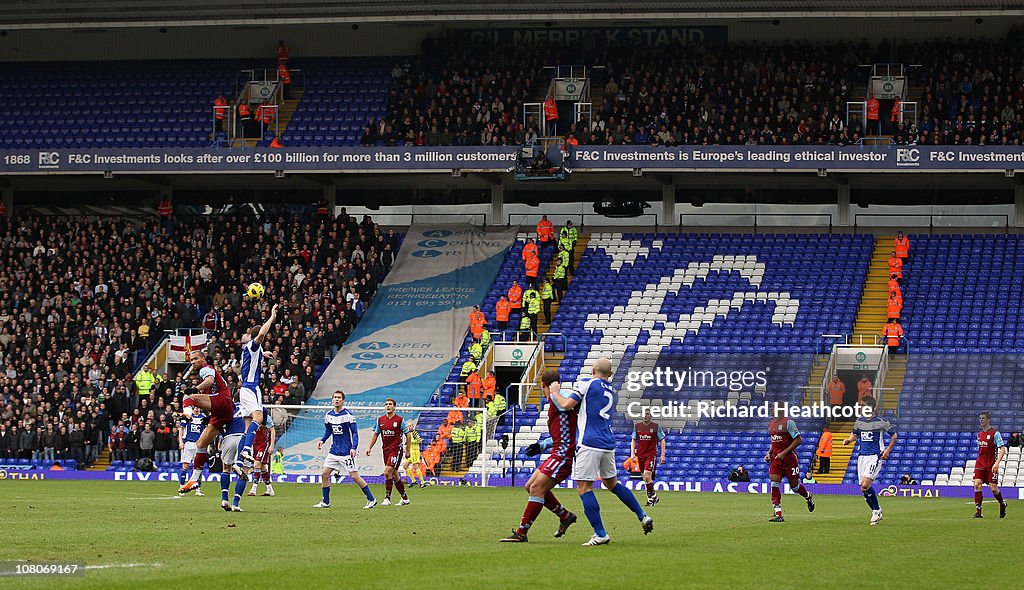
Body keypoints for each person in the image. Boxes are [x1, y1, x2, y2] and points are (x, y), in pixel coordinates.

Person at [554, 358, 652, 546]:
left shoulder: (586, 383)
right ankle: (643, 515)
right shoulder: (614, 391)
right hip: (608, 443)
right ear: (611, 374)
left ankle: (600, 533)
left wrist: (556, 393)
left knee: (584, 488)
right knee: (612, 483)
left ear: (592, 370)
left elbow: (566, 405)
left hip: (589, 442)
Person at [500, 369, 579, 543]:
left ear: (543, 386)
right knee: (530, 486)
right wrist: (541, 446)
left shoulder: (561, 398)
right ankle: (565, 516)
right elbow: (562, 432)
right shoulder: (557, 400)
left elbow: (571, 409)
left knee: (537, 489)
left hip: (563, 454)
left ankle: (522, 532)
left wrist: (556, 392)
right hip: (556, 452)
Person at [179, 350, 235, 494]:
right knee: (201, 444)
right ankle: (194, 480)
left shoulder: (206, 369)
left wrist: (195, 389)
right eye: (191, 360)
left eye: (195, 358)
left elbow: (209, 380)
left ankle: (187, 414)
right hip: (222, 411)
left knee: (187, 397)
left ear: (203, 359)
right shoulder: (206, 374)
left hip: (222, 400)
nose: (193, 362)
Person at [235, 304, 278, 479]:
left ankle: (239, 462)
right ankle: (246, 449)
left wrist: (264, 353)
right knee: (258, 418)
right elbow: (260, 335)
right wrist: (272, 317)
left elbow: (258, 348)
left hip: (246, 388)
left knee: (247, 427)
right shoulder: (253, 345)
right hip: (251, 388)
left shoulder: (255, 349)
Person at [314, 390, 376, 509]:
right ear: (332, 400)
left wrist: (353, 448)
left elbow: (354, 433)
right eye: (335, 397)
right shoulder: (328, 415)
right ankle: (326, 502)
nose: (336, 399)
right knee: (324, 474)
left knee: (354, 477)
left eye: (339, 398)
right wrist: (322, 440)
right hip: (334, 451)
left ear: (343, 400)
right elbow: (328, 430)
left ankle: (371, 499)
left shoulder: (348, 415)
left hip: (347, 452)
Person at [842, 396, 896, 525]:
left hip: (875, 456)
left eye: (864, 406)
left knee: (865, 485)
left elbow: (894, 436)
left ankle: (876, 511)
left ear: (872, 408)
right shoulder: (859, 421)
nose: (861, 408)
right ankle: (876, 510)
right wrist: (849, 440)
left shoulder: (881, 422)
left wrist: (887, 450)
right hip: (862, 457)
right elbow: (855, 434)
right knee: (863, 488)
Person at [765, 401, 816, 522]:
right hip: (776, 460)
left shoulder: (789, 423)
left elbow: (798, 440)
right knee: (774, 483)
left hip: (789, 460)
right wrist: (769, 453)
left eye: (773, 407)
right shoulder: (771, 424)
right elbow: (774, 442)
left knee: (795, 487)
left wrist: (784, 453)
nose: (771, 409)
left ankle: (808, 496)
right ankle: (778, 513)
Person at [365, 398, 412, 506]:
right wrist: (369, 447)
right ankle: (405, 498)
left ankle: (387, 498)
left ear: (394, 407)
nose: (388, 406)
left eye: (390, 404)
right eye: (386, 404)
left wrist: (407, 450)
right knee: (394, 475)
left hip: (396, 450)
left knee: (387, 472)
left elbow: (408, 435)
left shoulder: (400, 420)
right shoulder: (380, 420)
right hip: (385, 450)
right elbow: (375, 434)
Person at [972, 411, 1008, 518]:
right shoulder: (979, 435)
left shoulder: (995, 433)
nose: (981, 420)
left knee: (993, 488)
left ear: (988, 420)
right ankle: (978, 512)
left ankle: (1002, 504)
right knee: (977, 484)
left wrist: (996, 464)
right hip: (980, 464)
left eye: (983, 418)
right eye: (980, 418)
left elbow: (1002, 448)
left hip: (991, 465)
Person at [630, 408, 666, 507]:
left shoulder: (655, 427)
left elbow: (662, 440)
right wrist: (632, 454)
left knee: (647, 475)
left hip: (650, 455)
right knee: (645, 478)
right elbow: (633, 440)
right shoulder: (637, 426)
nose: (645, 416)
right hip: (640, 455)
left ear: (651, 416)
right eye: (644, 414)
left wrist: (662, 455)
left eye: (647, 414)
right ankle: (654, 496)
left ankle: (650, 499)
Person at [220, 403, 249, 512]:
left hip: (229, 437)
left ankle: (224, 499)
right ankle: (236, 503)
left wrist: (224, 436)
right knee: (244, 471)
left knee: (226, 469)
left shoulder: (228, 407)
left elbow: (218, 423)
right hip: (244, 437)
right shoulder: (250, 405)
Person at [247, 415, 276, 497]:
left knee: (257, 464)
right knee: (262, 467)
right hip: (254, 444)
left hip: (264, 444)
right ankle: (270, 489)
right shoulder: (250, 415)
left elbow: (272, 430)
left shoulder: (266, 417)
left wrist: (272, 445)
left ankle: (253, 489)